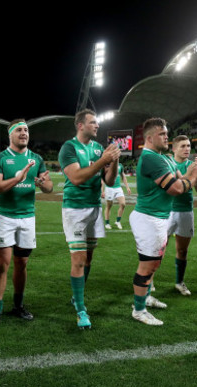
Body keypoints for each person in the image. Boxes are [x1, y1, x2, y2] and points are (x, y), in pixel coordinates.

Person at [129, 119, 197, 325]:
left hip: (158, 217)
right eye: (162, 134)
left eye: (167, 133)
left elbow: (182, 178)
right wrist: (195, 177)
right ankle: (138, 309)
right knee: (147, 266)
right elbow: (176, 189)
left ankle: (146, 298)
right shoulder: (151, 159)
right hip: (149, 218)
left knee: (153, 264)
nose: (166, 136)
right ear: (149, 138)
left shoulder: (164, 158)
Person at [0, 119, 54, 328]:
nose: (24, 133)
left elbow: (49, 187)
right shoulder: (0, 159)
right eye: (19, 130)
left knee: (22, 263)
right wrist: (18, 178)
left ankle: (18, 305)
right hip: (5, 216)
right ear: (11, 135)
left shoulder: (36, 158)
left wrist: (43, 184)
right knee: (3, 263)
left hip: (27, 217)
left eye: (26, 130)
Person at [58, 108, 121, 329]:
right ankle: (81, 310)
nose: (97, 126)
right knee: (78, 260)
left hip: (94, 208)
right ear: (80, 125)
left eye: (97, 123)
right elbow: (75, 178)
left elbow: (111, 182)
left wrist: (113, 162)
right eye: (93, 122)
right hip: (74, 209)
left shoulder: (98, 148)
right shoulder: (69, 147)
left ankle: (78, 295)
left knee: (89, 260)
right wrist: (103, 159)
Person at [168, 135, 197, 297]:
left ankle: (179, 282)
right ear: (174, 148)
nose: (187, 149)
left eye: (189, 146)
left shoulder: (192, 165)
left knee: (182, 250)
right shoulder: (168, 164)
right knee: (158, 248)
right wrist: (190, 174)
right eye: (183, 146)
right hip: (167, 211)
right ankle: (150, 280)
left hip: (186, 211)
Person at [101, 162, 131, 230]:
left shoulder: (120, 165)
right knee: (109, 206)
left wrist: (127, 187)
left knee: (123, 204)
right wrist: (102, 191)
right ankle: (107, 223)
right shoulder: (106, 165)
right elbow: (102, 179)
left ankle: (118, 221)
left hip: (118, 188)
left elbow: (123, 176)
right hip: (109, 188)